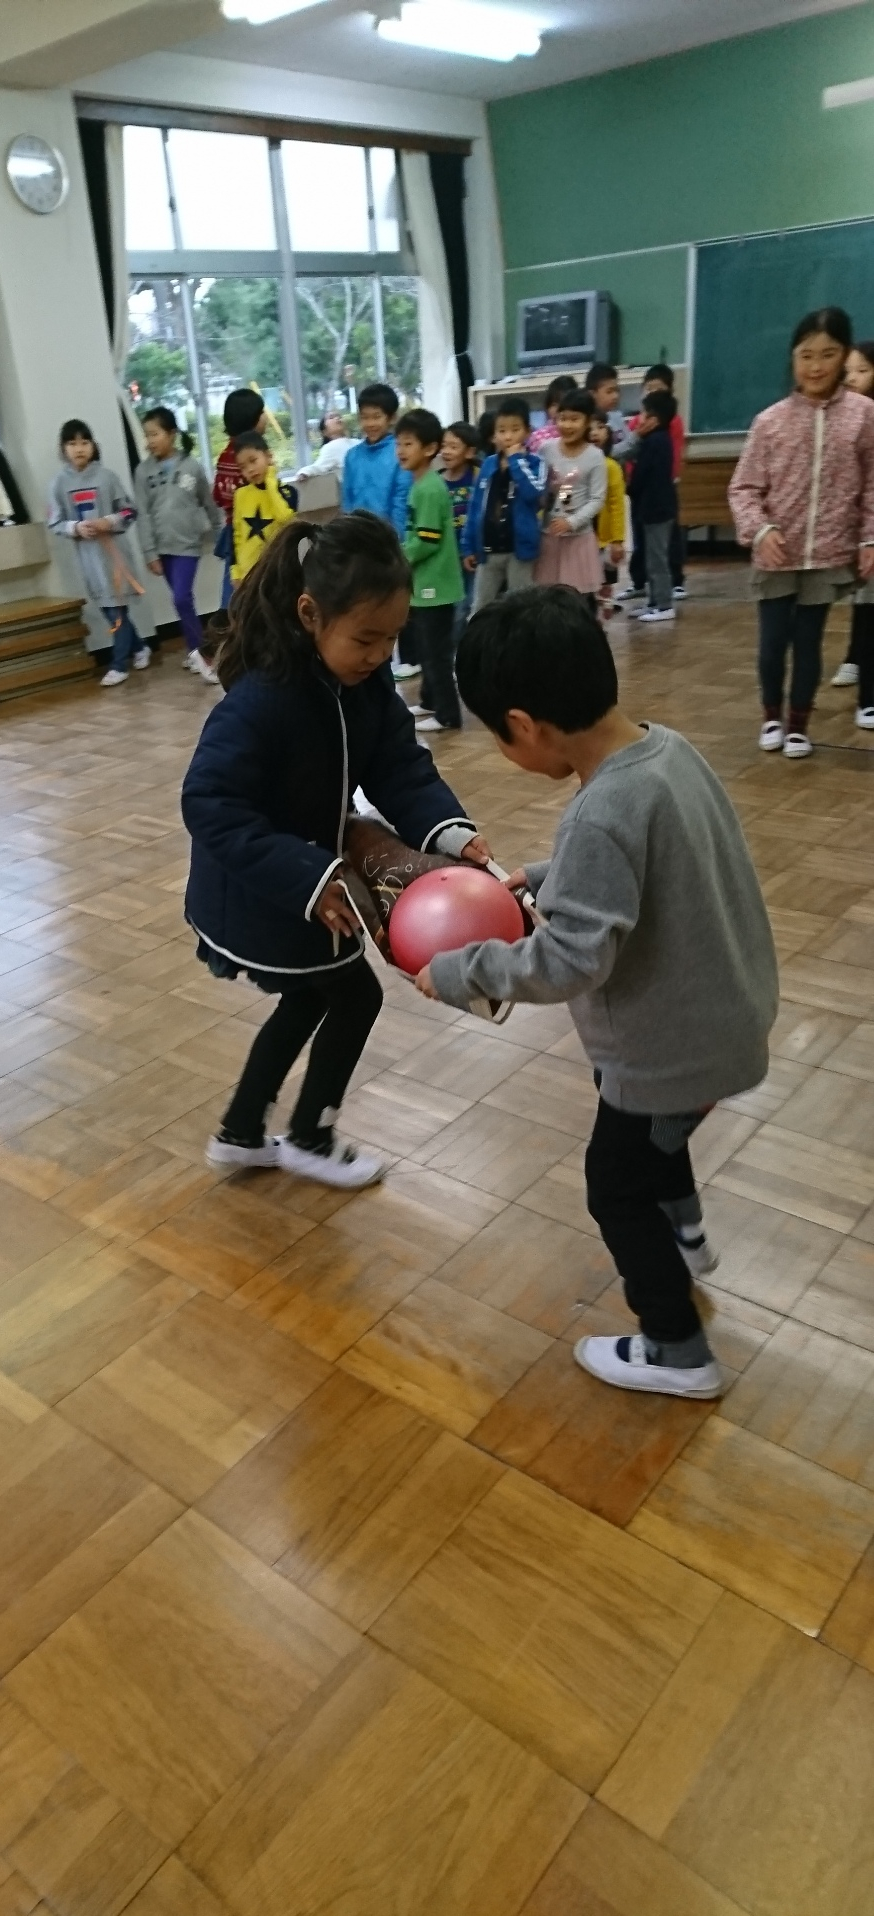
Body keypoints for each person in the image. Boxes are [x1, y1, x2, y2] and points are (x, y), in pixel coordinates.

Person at [416, 588, 779, 1399]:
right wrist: (551, 876)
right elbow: (652, 860)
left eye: (497, 736)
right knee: (653, 1141)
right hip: (725, 1016)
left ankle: (677, 1348)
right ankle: (686, 1236)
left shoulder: (599, 812)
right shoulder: (666, 750)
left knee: (613, 1185)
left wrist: (462, 973)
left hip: (671, 1047)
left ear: (524, 725)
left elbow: (570, 961)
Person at [181, 511, 493, 1189]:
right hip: (268, 889)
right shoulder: (261, 700)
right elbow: (209, 803)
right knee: (351, 998)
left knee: (314, 999)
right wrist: (307, 875)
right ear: (309, 614)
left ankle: (242, 1133)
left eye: (392, 637)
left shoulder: (364, 684)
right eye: (366, 638)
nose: (381, 655)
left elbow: (400, 768)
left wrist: (450, 831)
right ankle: (308, 1136)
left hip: (313, 882)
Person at [729, 305, 874, 759]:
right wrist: (759, 530)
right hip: (776, 554)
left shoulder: (864, 415)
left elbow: (873, 483)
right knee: (773, 642)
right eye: (806, 355)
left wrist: (869, 537)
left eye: (828, 354)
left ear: (844, 355)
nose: (816, 366)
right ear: (793, 357)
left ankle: (798, 725)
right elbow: (743, 488)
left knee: (809, 643)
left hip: (828, 551)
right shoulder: (770, 421)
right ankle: (771, 716)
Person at [48, 418, 152, 689]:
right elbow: (55, 522)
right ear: (63, 448)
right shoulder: (59, 484)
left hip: (115, 558)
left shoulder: (107, 477)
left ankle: (118, 665)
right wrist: (75, 527)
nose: (79, 448)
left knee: (117, 611)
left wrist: (109, 521)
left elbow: (130, 510)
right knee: (110, 611)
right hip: (89, 561)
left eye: (84, 442)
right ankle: (139, 647)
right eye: (72, 443)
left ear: (93, 446)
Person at [136, 406, 220, 686]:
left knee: (181, 598)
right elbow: (143, 514)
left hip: (188, 546)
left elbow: (208, 504)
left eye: (155, 434)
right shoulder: (143, 471)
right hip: (162, 548)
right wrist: (149, 552)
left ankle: (201, 654)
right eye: (147, 435)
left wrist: (220, 535)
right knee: (183, 601)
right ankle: (194, 650)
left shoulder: (192, 466)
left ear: (171, 434)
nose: (150, 441)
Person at [396, 407, 465, 733]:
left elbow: (427, 540)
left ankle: (448, 714)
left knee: (436, 654)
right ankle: (429, 701)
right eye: (399, 444)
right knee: (426, 648)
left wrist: (398, 557)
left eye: (408, 444)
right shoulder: (422, 484)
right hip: (424, 584)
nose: (401, 451)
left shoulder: (429, 488)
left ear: (429, 448)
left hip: (435, 585)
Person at [463, 400, 546, 607]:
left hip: (519, 549)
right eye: (501, 431)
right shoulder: (488, 464)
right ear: (494, 435)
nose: (508, 437)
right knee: (481, 606)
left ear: (527, 432)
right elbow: (475, 507)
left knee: (521, 605)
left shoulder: (536, 463)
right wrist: (468, 546)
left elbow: (533, 493)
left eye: (515, 430)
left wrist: (516, 460)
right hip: (489, 548)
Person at [534, 388, 607, 599]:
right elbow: (537, 486)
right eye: (562, 418)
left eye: (574, 419)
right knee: (546, 596)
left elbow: (597, 499)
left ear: (588, 421)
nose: (566, 425)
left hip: (578, 539)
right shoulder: (546, 450)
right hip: (549, 535)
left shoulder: (595, 456)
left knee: (576, 598)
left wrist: (572, 522)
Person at [833, 337, 874, 704]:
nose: (852, 378)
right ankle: (855, 657)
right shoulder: (846, 416)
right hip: (860, 521)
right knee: (864, 594)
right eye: (848, 371)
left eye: (863, 370)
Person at [626, 390, 678, 625]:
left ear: (654, 420)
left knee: (657, 560)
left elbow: (642, 475)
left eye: (644, 414)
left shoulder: (656, 442)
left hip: (657, 510)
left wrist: (630, 488)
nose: (639, 419)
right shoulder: (656, 439)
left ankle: (665, 605)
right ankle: (654, 601)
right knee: (651, 558)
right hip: (652, 509)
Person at [214, 388, 266, 609]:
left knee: (234, 587)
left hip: (231, 530)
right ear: (251, 419)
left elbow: (217, 496)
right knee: (251, 590)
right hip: (254, 532)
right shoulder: (252, 458)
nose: (265, 417)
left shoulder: (225, 456)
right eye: (262, 412)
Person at [340, 382, 411, 536]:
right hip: (357, 537)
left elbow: (401, 504)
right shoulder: (352, 456)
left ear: (392, 418)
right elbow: (347, 502)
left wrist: (396, 542)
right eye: (365, 417)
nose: (370, 424)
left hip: (389, 538)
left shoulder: (401, 452)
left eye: (377, 417)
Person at [231, 433, 298, 583]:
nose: (250, 469)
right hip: (248, 575)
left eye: (253, 461)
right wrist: (236, 572)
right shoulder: (241, 495)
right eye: (243, 467)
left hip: (278, 572)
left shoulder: (288, 492)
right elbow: (236, 535)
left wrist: (271, 484)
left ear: (268, 456)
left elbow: (286, 520)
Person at [440, 420, 480, 641]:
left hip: (473, 555)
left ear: (469, 452)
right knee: (454, 608)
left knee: (471, 604)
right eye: (444, 445)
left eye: (453, 447)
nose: (446, 451)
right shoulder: (437, 481)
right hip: (447, 557)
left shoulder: (479, 477)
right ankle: (453, 651)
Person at [589, 415, 626, 618]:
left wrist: (617, 540)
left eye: (600, 427)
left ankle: (604, 613)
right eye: (590, 428)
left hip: (603, 539)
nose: (594, 432)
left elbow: (616, 504)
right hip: (579, 536)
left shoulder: (611, 466)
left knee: (605, 584)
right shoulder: (577, 464)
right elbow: (565, 494)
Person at [585, 362, 635, 459]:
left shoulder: (616, 417)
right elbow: (604, 453)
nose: (615, 396)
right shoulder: (587, 421)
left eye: (617, 391)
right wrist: (637, 437)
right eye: (609, 391)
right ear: (592, 394)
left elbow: (630, 448)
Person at [294, 411, 358, 480]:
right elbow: (319, 467)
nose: (337, 418)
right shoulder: (330, 447)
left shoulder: (358, 441)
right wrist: (304, 472)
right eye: (331, 417)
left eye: (339, 416)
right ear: (324, 432)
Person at [527, 373, 577, 454]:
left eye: (563, 404)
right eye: (554, 405)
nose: (558, 410)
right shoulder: (537, 437)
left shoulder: (583, 434)